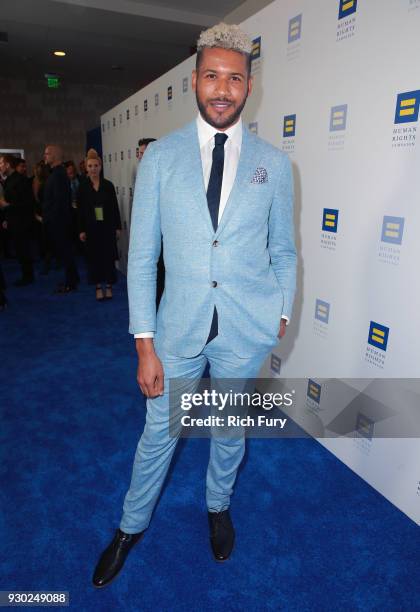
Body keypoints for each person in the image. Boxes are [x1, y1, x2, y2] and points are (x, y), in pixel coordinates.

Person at [93, 22, 297, 587]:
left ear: (249, 86)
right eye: (212, 76)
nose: (223, 88)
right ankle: (129, 527)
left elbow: (283, 248)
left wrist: (282, 309)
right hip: (176, 328)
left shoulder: (275, 165)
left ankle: (218, 505)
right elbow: (140, 258)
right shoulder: (159, 157)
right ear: (195, 82)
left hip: (244, 326)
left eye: (235, 77)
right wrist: (143, 344)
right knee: (159, 433)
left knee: (229, 428)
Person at [78, 149, 121, 300]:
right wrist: (81, 230)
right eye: (90, 166)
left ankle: (109, 286)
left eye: (96, 166)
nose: (93, 169)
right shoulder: (82, 187)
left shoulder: (108, 185)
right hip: (91, 228)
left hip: (107, 227)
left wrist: (117, 227)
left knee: (108, 257)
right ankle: (97, 286)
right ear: (86, 168)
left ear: (100, 167)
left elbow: (115, 207)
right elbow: (80, 211)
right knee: (94, 258)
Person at [43, 144, 79, 293]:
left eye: (47, 153)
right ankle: (73, 278)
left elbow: (59, 202)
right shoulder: (57, 173)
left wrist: (51, 221)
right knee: (66, 253)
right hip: (60, 221)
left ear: (55, 156)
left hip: (59, 223)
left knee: (66, 253)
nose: (44, 156)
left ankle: (71, 283)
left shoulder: (58, 175)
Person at [137, 137, 165, 307]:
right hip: (146, 241)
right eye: (139, 154)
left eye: (144, 153)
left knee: (161, 280)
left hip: (163, 241)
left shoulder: (167, 177)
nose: (140, 158)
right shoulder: (142, 175)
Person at [0, 154, 35, 286]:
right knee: (20, 250)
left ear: (8, 165)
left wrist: (7, 206)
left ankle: (28, 276)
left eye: (1, 163)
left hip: (22, 222)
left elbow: (27, 203)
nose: (0, 166)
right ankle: (26, 274)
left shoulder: (21, 180)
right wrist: (6, 218)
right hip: (14, 220)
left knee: (24, 250)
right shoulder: (9, 180)